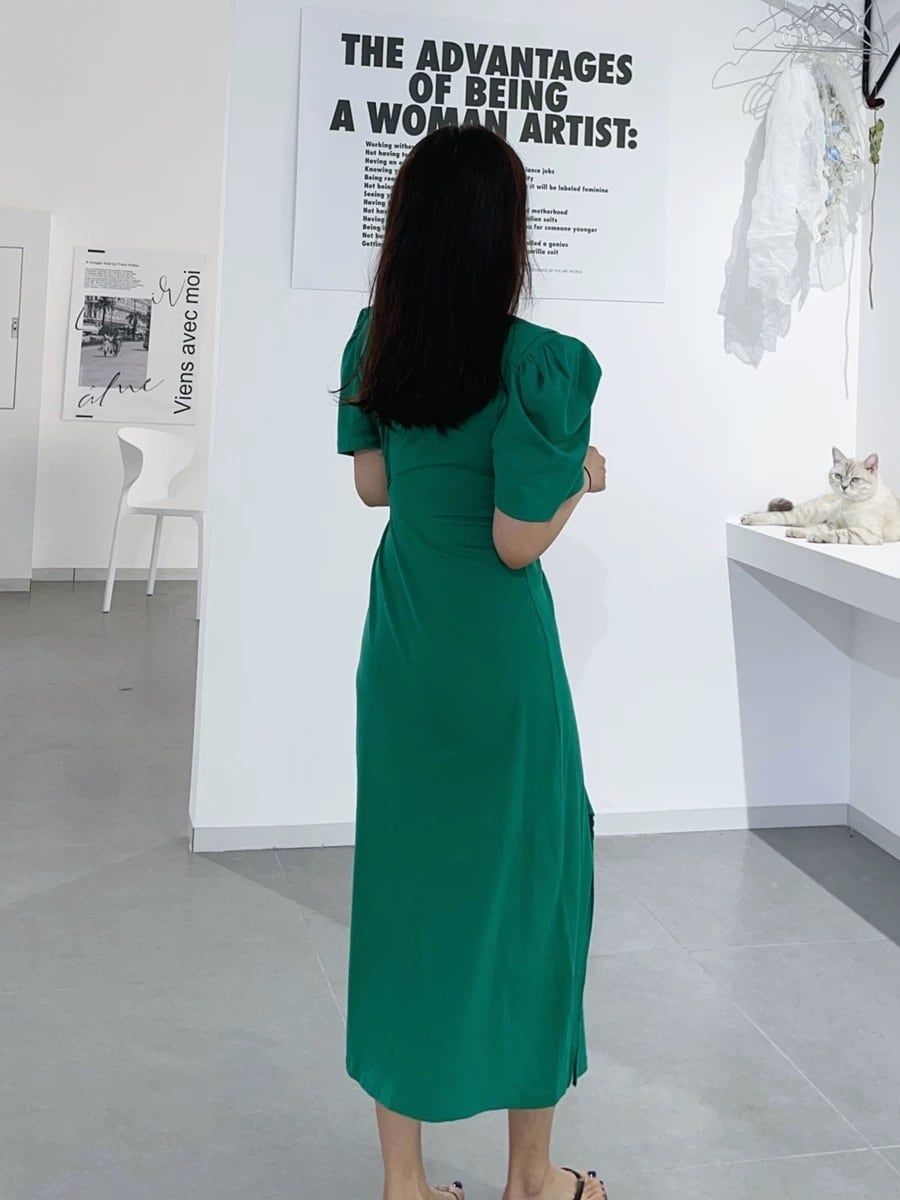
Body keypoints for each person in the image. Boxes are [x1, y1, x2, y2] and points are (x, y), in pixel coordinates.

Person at [337, 125, 607, 1200]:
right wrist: (579, 473)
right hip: (498, 662)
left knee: (404, 894)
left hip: (406, 645)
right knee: (535, 887)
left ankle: (404, 1185)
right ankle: (532, 1178)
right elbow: (515, 542)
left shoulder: (378, 341)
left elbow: (374, 488)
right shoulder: (538, 364)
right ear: (506, 235)